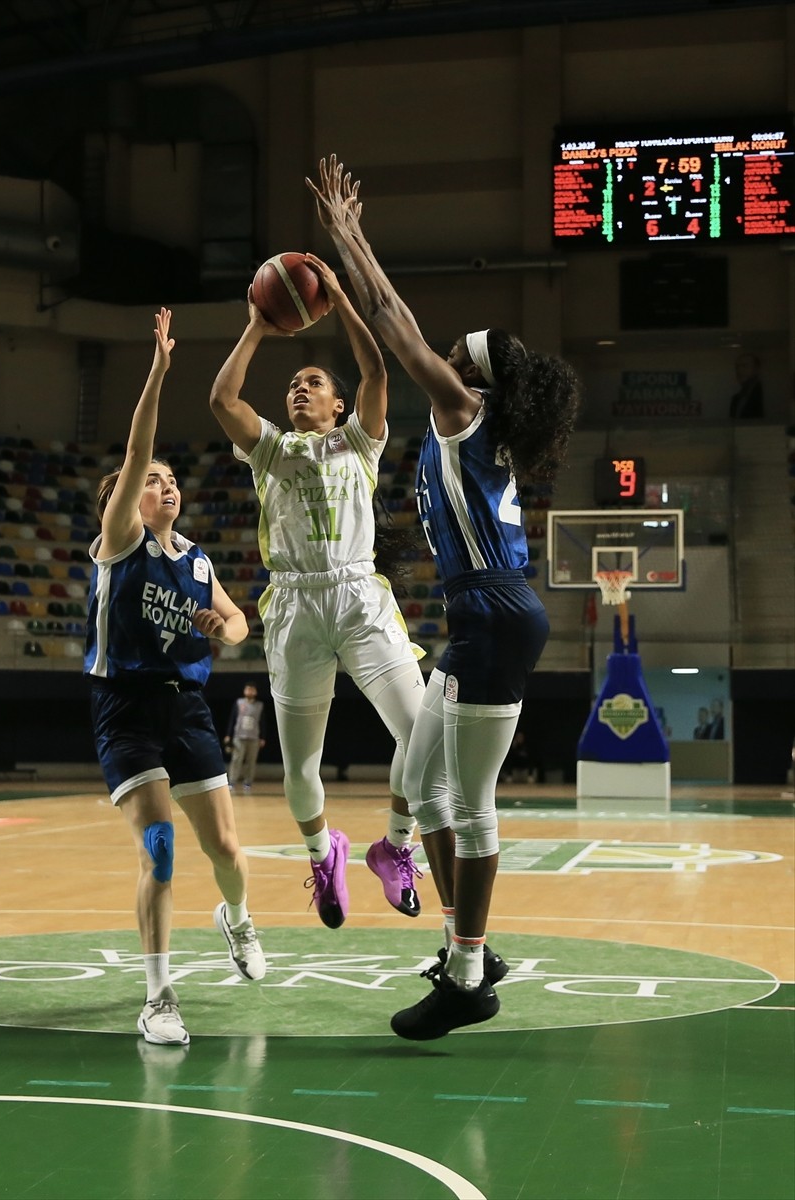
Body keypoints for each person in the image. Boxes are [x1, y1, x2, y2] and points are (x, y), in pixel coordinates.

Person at [309, 155, 580, 1039]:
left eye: (468, 346)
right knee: (420, 787)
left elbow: (396, 324)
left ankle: (468, 973)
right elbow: (400, 331)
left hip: (495, 614)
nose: (453, 343)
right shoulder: (461, 421)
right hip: (486, 614)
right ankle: (461, 939)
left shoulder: (465, 407)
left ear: (480, 376)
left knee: (465, 802)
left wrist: (351, 239)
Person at [209, 255, 430, 930]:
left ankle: (395, 847)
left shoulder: (360, 443)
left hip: (359, 597)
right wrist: (255, 324)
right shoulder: (271, 451)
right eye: (294, 385)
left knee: (424, 737)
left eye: (313, 383)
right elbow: (222, 401)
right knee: (299, 768)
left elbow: (377, 372)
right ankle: (321, 853)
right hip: (296, 606)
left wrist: (337, 294)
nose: (300, 391)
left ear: (338, 404)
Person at [86, 307, 266, 1048]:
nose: (163, 485)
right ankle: (159, 997)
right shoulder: (119, 541)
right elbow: (137, 448)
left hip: (186, 706)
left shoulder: (195, 559)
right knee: (159, 844)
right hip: (124, 707)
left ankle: (239, 919)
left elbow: (239, 621)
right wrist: (159, 370)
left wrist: (222, 627)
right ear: (123, 501)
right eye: (150, 481)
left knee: (224, 848)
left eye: (167, 481)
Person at [224, 682, 266, 792]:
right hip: (239, 736)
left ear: (255, 692)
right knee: (236, 759)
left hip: (254, 738)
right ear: (244, 691)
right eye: (248, 689)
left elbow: (262, 722)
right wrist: (228, 734)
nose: (250, 691)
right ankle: (232, 781)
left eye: (252, 690)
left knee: (251, 761)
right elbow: (233, 719)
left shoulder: (259, 705)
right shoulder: (239, 702)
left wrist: (263, 737)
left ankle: (248, 782)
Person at [729, 352, 764, 419]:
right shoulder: (736, 399)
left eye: (744, 366)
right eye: (737, 367)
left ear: (756, 369)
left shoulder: (764, 394)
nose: (739, 370)